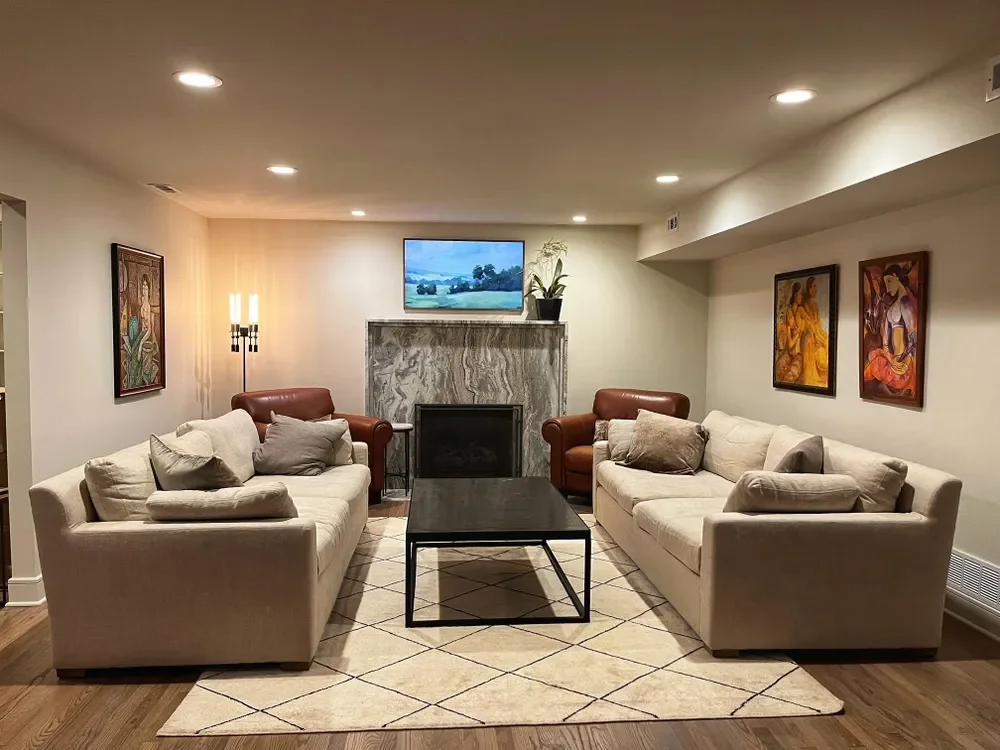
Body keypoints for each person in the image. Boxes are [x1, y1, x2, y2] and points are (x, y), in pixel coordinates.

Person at [864, 264, 918, 396]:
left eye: (889, 281)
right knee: (873, 355)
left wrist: (904, 362)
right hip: (893, 357)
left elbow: (913, 338)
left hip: (903, 362)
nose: (887, 287)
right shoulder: (893, 306)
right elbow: (885, 338)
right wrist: (888, 354)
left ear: (896, 278)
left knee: (874, 364)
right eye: (885, 283)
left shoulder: (906, 304)